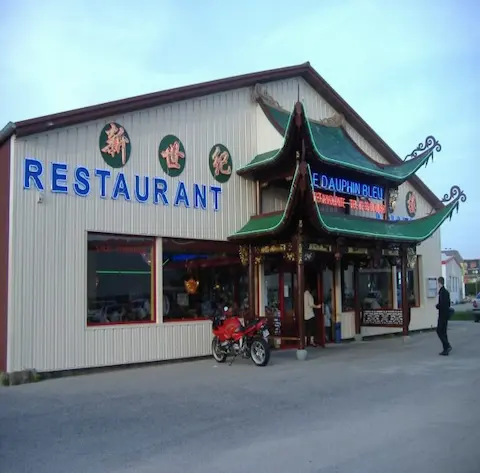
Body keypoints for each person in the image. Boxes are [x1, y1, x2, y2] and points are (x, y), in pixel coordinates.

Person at [436, 276, 452, 356]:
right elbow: (448, 303)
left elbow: (442, 304)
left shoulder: (442, 292)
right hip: (446, 315)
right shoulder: (446, 292)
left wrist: (437, 306)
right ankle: (445, 349)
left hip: (442, 314)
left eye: (438, 283)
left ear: (439, 283)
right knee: (444, 332)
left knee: (439, 331)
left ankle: (447, 345)